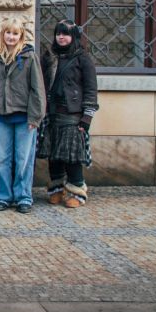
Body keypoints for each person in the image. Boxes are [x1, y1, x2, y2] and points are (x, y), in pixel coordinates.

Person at [0, 19, 45, 214]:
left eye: (15, 34)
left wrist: (36, 117)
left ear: (21, 36)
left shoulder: (29, 57)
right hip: (0, 115)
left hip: (24, 116)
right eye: (8, 33)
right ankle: (2, 196)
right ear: (3, 34)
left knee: (23, 159)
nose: (11, 37)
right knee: (2, 159)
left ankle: (23, 196)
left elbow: (37, 89)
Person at [40, 20, 98, 208]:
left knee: (72, 156)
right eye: (58, 33)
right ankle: (56, 189)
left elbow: (91, 89)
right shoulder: (49, 56)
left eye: (65, 34)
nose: (61, 37)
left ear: (73, 36)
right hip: (51, 112)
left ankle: (77, 191)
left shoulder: (83, 58)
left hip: (73, 115)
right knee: (53, 155)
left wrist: (87, 117)